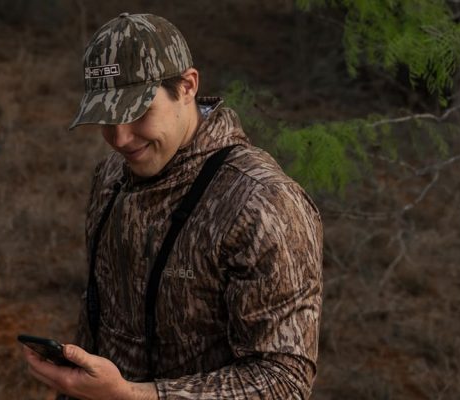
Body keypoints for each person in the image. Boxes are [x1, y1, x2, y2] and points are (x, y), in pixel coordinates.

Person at [22, 13, 323, 399]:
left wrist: (134, 396)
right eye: (105, 118)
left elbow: (284, 381)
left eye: (136, 112)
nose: (119, 137)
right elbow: (102, 316)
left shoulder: (262, 203)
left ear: (187, 86)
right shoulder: (111, 175)